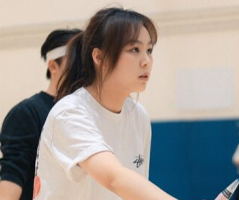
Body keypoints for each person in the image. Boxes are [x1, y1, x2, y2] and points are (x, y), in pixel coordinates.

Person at [35, 7, 175, 200]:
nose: (146, 61)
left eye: (149, 50)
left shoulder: (138, 116)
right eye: (135, 49)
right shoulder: (69, 113)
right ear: (99, 57)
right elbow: (114, 178)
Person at [0, 28, 81, 200]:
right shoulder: (27, 113)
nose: (82, 71)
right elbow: (12, 174)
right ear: (53, 66)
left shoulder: (85, 114)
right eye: (75, 63)